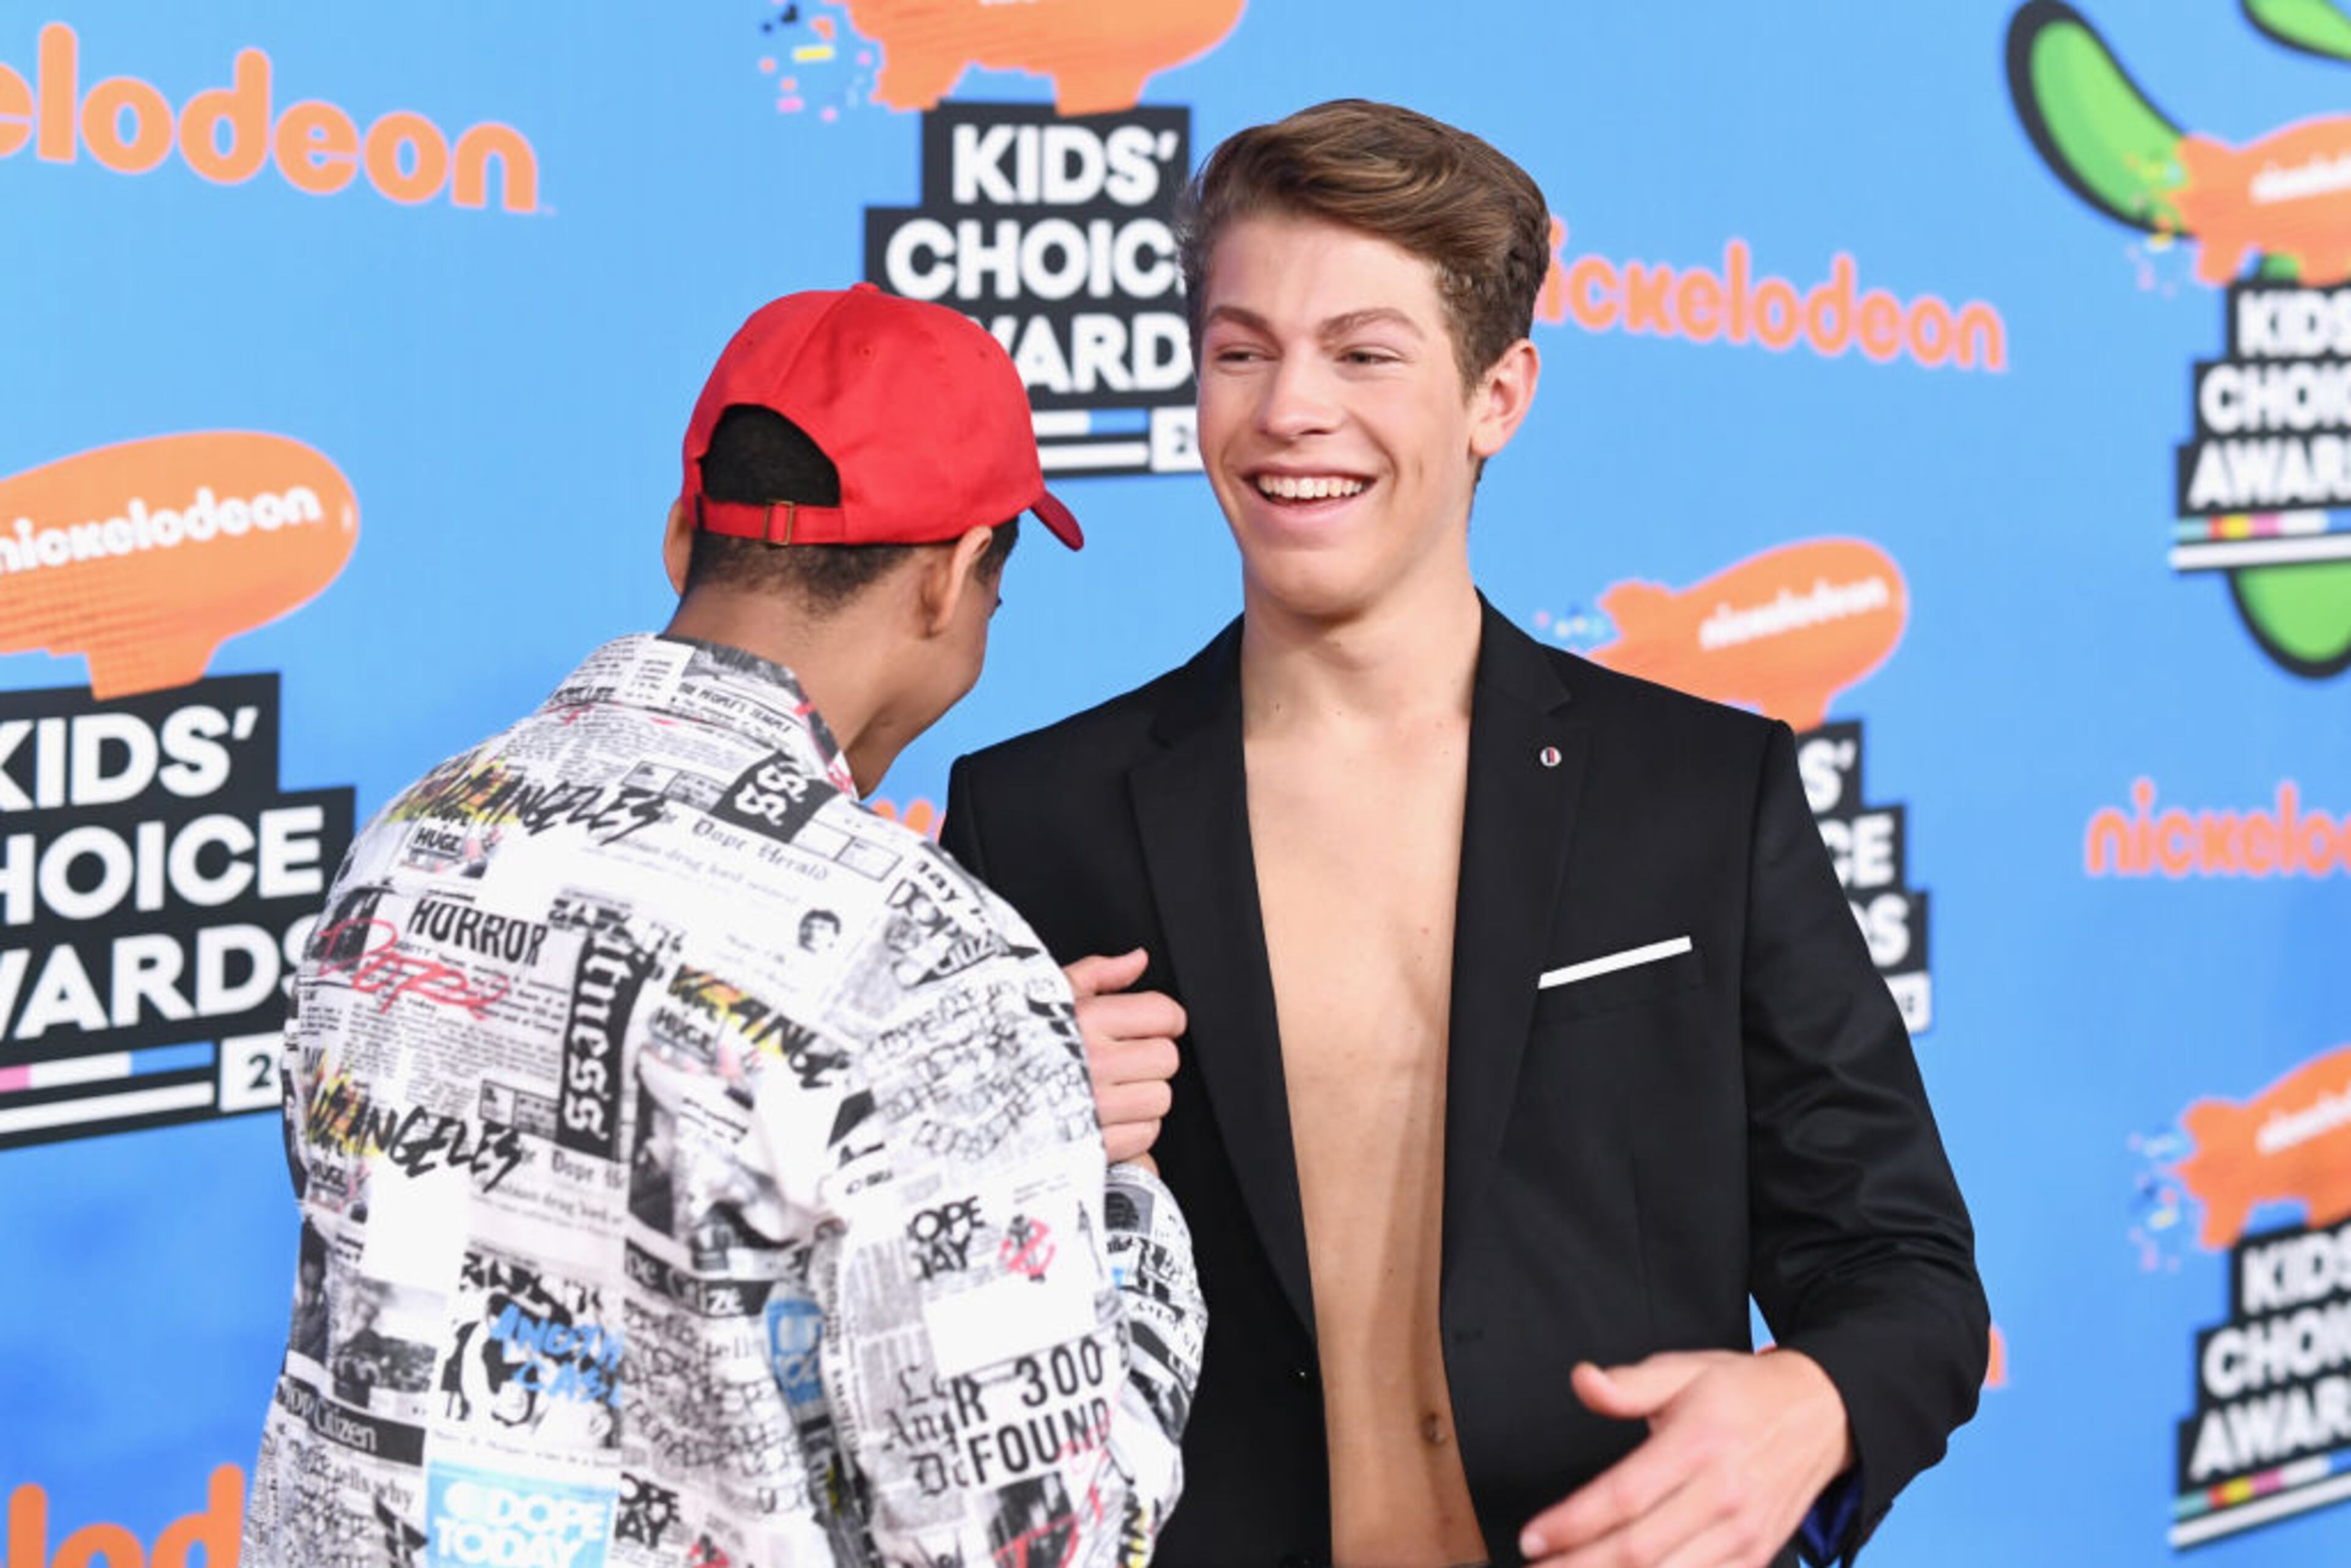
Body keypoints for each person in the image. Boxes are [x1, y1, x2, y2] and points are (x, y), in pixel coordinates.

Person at [942, 100, 1987, 1568]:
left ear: (1499, 396)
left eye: (1365, 354)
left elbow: (1906, 1271)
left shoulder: (1697, 791)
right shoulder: (1037, 814)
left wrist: (1813, 1403)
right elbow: (914, 1334)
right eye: (1243, 350)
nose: (1291, 408)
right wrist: (983, 1136)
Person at [244, 284, 1205, 1567]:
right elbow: (1045, 1544)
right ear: (954, 575)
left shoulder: (407, 848)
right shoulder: (932, 965)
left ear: (682, 531)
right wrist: (1092, 1187)